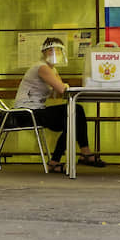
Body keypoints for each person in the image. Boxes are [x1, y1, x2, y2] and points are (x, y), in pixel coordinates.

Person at [13, 37, 106, 173]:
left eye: (57, 51)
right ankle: (82, 154)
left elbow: (61, 91)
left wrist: (63, 86)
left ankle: (59, 160)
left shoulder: (52, 69)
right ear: (43, 52)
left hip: (36, 110)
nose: (54, 54)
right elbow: (62, 89)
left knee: (73, 116)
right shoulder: (42, 67)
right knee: (75, 113)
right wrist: (63, 86)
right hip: (26, 112)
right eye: (50, 51)